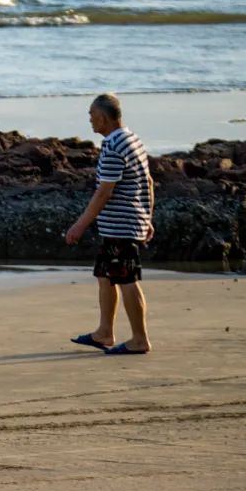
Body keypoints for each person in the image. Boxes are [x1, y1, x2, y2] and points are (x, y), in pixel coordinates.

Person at [66, 93, 154, 355]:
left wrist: (80, 225)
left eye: (92, 116)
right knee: (105, 276)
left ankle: (140, 339)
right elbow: (148, 182)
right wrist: (147, 217)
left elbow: (104, 191)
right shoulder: (131, 139)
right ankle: (104, 332)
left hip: (122, 226)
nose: (90, 121)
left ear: (103, 118)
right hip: (124, 223)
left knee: (127, 279)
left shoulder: (114, 147)